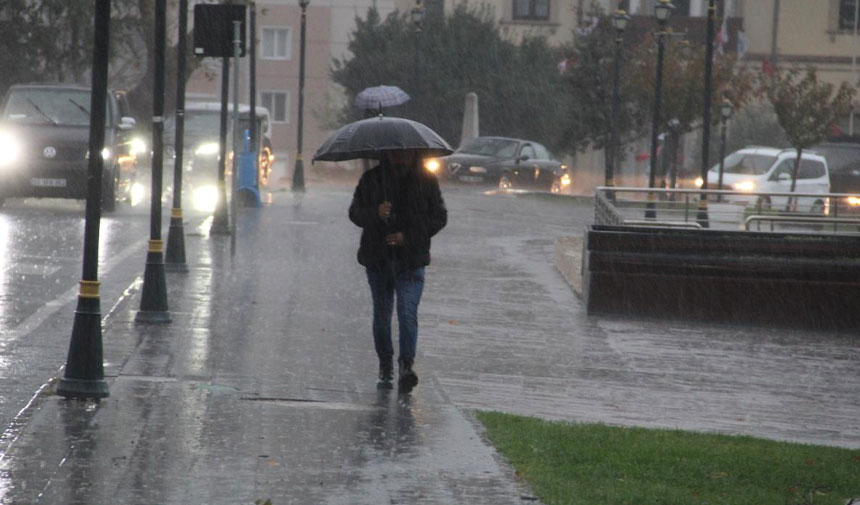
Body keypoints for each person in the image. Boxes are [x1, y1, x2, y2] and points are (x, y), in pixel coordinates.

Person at [348, 149, 447, 392]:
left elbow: (439, 217)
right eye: (394, 154)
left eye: (405, 154)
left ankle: (406, 365)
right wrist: (375, 213)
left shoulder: (426, 181)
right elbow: (355, 213)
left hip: (411, 260)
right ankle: (385, 363)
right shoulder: (372, 179)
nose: (400, 158)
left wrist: (408, 237)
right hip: (378, 259)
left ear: (415, 154)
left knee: (406, 311)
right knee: (382, 317)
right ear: (386, 154)